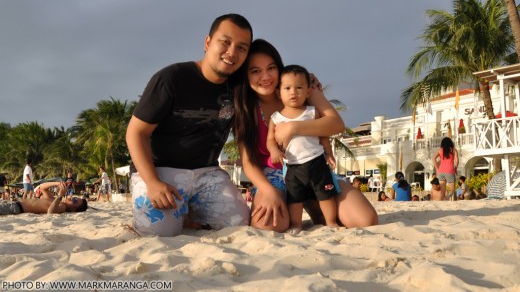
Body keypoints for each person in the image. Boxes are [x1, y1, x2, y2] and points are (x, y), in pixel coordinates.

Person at [126, 14, 252, 236]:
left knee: (238, 224)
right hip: (159, 171)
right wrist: (153, 182)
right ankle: (165, 212)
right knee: (158, 233)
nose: (232, 52)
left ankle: (189, 212)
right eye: (225, 42)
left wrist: (310, 84)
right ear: (207, 42)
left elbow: (279, 85)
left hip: (207, 173)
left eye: (242, 47)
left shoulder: (240, 88)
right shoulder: (171, 78)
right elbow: (136, 133)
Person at [233, 38, 378, 232]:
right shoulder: (244, 108)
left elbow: (336, 124)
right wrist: (268, 191)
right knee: (268, 224)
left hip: (315, 166)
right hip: (275, 176)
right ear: (246, 75)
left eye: (271, 68)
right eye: (255, 71)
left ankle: (313, 205)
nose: (265, 76)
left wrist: (293, 127)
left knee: (365, 219)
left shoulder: (301, 88)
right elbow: (248, 162)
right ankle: (297, 204)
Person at [266, 65, 338, 230]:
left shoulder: (312, 112)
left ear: (308, 92)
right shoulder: (276, 118)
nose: (293, 92)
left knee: (325, 195)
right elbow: (270, 140)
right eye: (287, 88)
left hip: (316, 161)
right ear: (278, 92)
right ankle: (296, 224)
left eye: (299, 88)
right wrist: (274, 150)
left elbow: (323, 135)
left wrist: (329, 153)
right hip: (293, 166)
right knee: (295, 199)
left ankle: (331, 222)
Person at [0, 181, 88, 215]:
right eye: (75, 197)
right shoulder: (54, 200)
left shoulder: (62, 206)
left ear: (73, 209)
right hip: (14, 204)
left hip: (16, 208)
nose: (72, 198)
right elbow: (41, 187)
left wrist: (60, 196)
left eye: (75, 201)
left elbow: (50, 212)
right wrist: (57, 183)